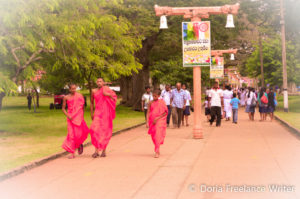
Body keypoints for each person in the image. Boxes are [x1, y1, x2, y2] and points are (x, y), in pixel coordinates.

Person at [90, 78, 117, 158]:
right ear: (96, 83)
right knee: (94, 130)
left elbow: (114, 98)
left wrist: (108, 95)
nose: (99, 83)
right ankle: (96, 150)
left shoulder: (107, 90)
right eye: (97, 81)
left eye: (100, 81)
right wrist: (91, 113)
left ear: (103, 82)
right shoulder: (94, 91)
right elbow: (91, 103)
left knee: (105, 131)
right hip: (97, 113)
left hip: (106, 113)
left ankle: (104, 151)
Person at [62, 84, 89, 159]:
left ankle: (79, 143)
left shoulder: (80, 96)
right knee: (71, 135)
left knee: (78, 134)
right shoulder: (66, 97)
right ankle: (72, 153)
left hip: (78, 117)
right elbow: (63, 108)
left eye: (75, 88)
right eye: (72, 89)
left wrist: (81, 116)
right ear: (69, 89)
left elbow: (82, 107)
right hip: (70, 118)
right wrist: (68, 115)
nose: (74, 90)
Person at [147, 89, 168, 158]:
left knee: (157, 135)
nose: (154, 97)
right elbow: (148, 112)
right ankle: (157, 146)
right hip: (152, 121)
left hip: (159, 121)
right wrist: (147, 121)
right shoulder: (150, 102)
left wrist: (157, 118)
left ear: (159, 96)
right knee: (153, 136)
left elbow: (165, 112)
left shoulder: (162, 102)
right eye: (153, 96)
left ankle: (157, 151)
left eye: (155, 96)